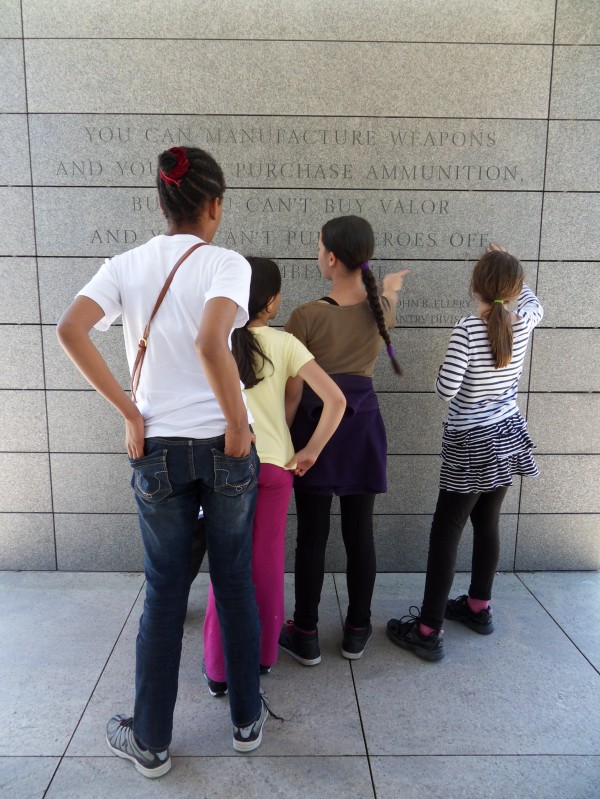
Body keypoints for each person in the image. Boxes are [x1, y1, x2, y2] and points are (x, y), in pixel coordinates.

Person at [56, 146, 269, 778]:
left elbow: (70, 329)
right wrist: (237, 425)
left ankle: (150, 742)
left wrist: (131, 412)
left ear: (161, 203)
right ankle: (246, 723)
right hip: (227, 445)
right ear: (215, 206)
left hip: (157, 451)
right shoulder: (227, 263)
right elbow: (211, 341)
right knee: (234, 583)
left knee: (165, 592)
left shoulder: (125, 265)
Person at [386, 245, 543, 661]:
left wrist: (446, 370)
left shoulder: (468, 329)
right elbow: (534, 302)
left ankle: (428, 630)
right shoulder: (524, 321)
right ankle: (477, 606)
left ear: (475, 286)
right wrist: (513, 268)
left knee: (447, 529)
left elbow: (446, 389)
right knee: (487, 520)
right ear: (513, 290)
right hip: (507, 434)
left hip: (471, 442)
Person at [202, 257, 346, 695]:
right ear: (272, 302)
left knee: (227, 566)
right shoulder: (286, 344)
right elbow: (336, 400)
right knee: (266, 563)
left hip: (227, 464)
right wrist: (310, 451)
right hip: (275, 468)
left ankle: (218, 670)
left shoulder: (215, 341)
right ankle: (264, 657)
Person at [278, 215, 409, 664]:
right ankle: (357, 629)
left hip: (315, 429)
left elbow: (292, 392)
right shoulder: (380, 310)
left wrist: (282, 443)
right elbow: (388, 297)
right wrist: (391, 285)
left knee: (311, 536)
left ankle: (306, 633)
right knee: (360, 533)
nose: (318, 255)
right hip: (362, 428)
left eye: (319, 248)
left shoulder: (306, 316)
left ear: (332, 258)